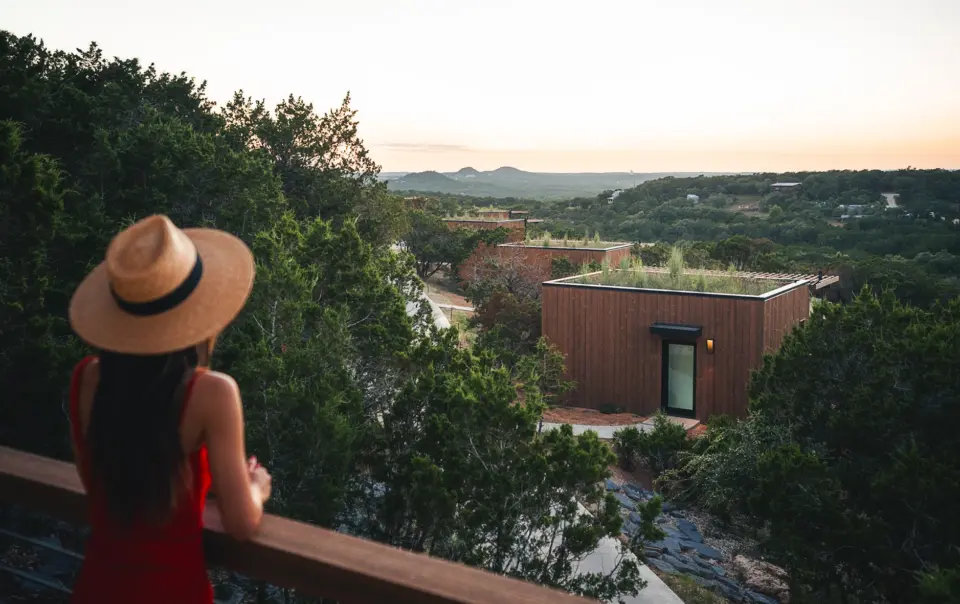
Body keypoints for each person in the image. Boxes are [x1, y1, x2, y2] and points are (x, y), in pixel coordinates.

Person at [66, 214, 272, 603]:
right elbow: (242, 523)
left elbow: (95, 480)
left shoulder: (86, 378)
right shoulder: (212, 392)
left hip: (96, 587)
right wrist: (256, 487)